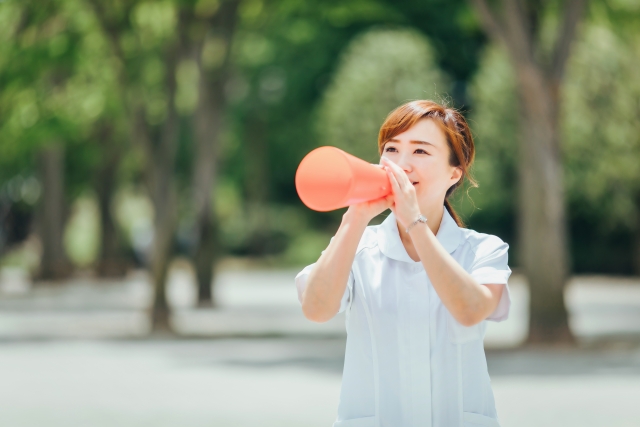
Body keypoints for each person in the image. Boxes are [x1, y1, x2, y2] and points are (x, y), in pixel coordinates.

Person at [295, 100, 512, 427]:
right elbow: (316, 308)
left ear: (455, 172)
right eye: (391, 149)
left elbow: (471, 310)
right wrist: (356, 217)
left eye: (420, 152)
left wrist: (415, 223)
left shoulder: (483, 250)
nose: (400, 165)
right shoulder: (358, 245)